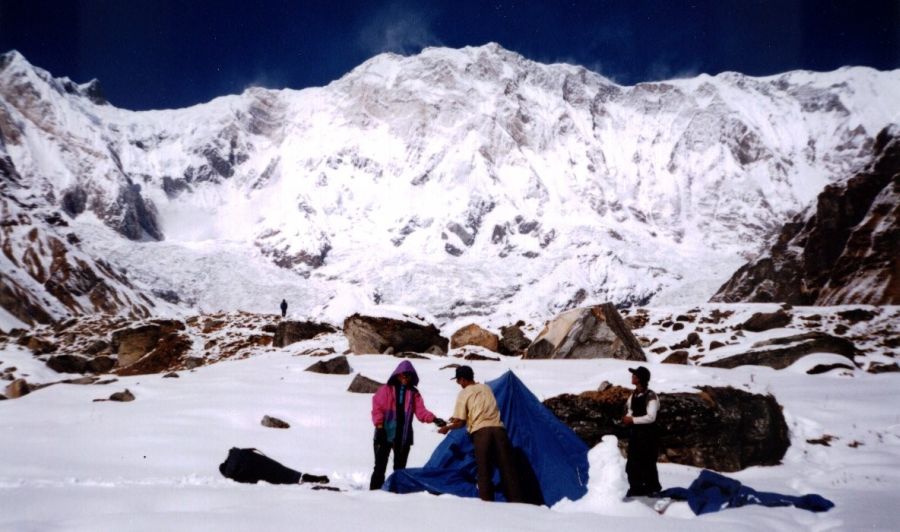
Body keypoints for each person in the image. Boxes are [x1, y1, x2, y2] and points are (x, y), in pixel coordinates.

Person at [438, 365, 524, 503]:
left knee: (484, 471)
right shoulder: (486, 388)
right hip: (499, 431)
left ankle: (486, 505)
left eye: (458, 380)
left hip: (482, 433)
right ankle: (518, 503)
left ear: (463, 379)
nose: (458, 384)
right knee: (508, 470)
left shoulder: (464, 393)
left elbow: (460, 422)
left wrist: (447, 428)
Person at [370, 360, 445, 490]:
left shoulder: (413, 393)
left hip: (403, 436)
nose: (405, 378)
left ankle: (395, 495)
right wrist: (380, 426)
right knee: (379, 467)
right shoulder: (385, 390)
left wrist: (434, 419)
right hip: (384, 433)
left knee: (399, 469)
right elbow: (377, 409)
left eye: (408, 376)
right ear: (398, 375)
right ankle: (374, 493)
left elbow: (421, 411)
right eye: (403, 375)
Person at [621, 366, 662, 497]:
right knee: (632, 463)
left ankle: (652, 489)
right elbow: (630, 409)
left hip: (649, 436)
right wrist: (628, 416)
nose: (632, 377)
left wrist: (632, 420)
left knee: (648, 463)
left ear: (640, 379)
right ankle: (636, 489)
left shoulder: (651, 396)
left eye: (635, 375)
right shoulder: (633, 395)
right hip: (636, 435)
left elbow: (651, 417)